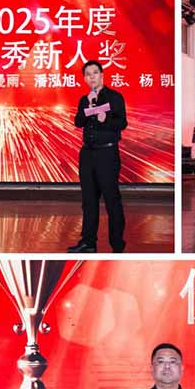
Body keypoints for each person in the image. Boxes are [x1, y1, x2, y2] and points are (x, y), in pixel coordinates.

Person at [68, 60, 128, 254]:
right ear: (85, 79)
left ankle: (117, 244)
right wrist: (89, 106)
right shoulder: (84, 99)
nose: (91, 77)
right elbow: (78, 122)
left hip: (107, 154)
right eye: (88, 74)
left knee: (112, 200)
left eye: (95, 73)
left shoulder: (114, 97)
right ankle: (88, 242)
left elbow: (122, 123)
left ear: (102, 75)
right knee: (89, 200)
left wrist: (106, 119)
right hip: (87, 154)